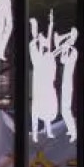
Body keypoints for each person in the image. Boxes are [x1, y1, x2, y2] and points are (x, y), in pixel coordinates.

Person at [30, 12, 58, 142]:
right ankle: (35, 134)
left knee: (46, 109)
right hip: (39, 87)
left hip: (45, 86)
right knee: (36, 111)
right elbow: (34, 45)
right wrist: (38, 39)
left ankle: (49, 131)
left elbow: (49, 36)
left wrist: (51, 22)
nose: (43, 39)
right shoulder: (38, 56)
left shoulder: (47, 55)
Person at [55, 27, 78, 142]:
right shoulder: (69, 50)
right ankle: (71, 130)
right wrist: (63, 49)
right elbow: (61, 59)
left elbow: (64, 60)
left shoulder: (74, 51)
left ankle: (74, 133)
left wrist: (64, 48)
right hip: (66, 83)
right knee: (64, 110)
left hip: (68, 84)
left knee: (66, 110)